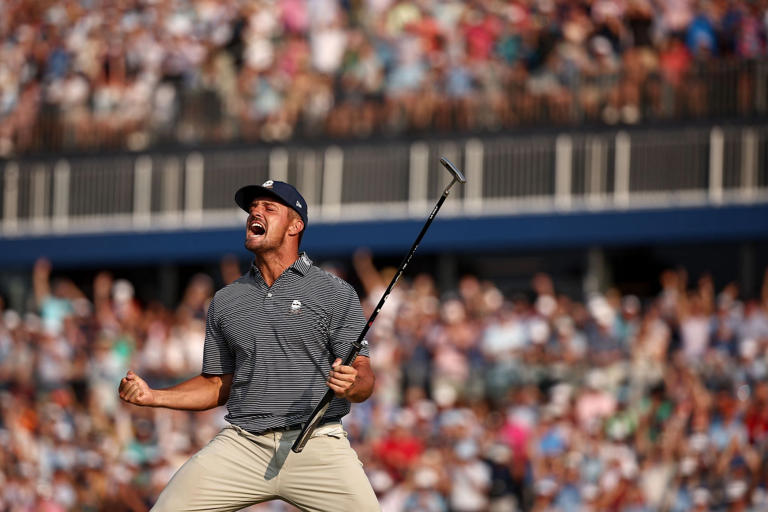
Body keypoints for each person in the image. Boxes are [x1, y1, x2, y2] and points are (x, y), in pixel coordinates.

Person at [118, 180, 380, 511]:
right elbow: (217, 385)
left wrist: (353, 385)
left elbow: (364, 375)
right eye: (252, 208)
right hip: (244, 444)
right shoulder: (226, 300)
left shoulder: (334, 292)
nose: (255, 212)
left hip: (318, 445)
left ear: (295, 226)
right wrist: (154, 396)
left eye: (269, 208)